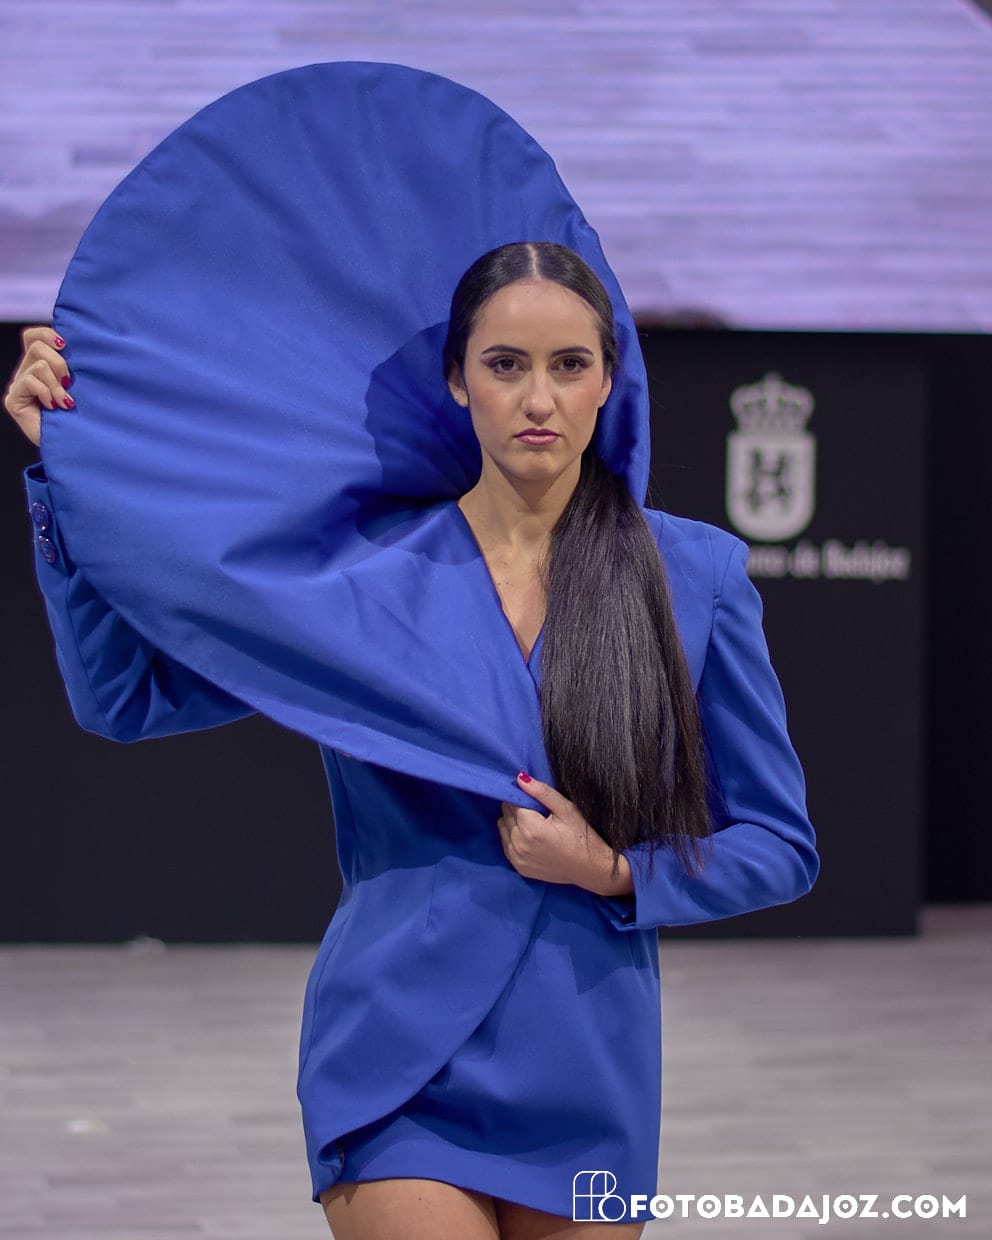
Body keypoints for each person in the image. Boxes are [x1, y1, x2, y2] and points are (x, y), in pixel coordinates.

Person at [5, 239, 818, 1240]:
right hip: (395, 1053)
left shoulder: (693, 575)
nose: (538, 398)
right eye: (504, 364)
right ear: (457, 380)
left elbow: (778, 846)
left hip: (587, 1054)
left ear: (609, 379)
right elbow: (126, 698)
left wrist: (613, 870)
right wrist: (67, 475)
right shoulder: (357, 577)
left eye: (568, 365)